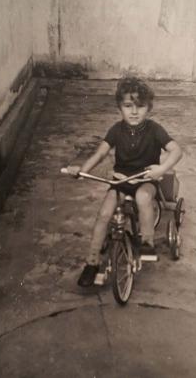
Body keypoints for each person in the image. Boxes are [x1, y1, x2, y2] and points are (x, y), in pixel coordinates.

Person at [67, 76, 182, 287]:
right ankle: (92, 263)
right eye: (128, 106)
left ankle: (146, 241)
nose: (135, 112)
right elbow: (100, 154)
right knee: (104, 214)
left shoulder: (154, 129)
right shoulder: (116, 130)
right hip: (120, 180)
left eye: (140, 106)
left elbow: (176, 150)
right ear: (120, 107)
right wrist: (81, 170)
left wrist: (162, 169)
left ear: (149, 108)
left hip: (145, 179)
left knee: (142, 197)